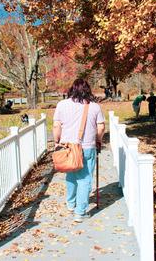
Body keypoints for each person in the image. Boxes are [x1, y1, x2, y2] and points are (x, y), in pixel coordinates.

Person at [53, 79, 105, 223]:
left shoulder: (61, 105)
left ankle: (71, 204)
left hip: (67, 147)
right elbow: (100, 127)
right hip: (87, 147)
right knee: (84, 179)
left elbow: (57, 126)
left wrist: (57, 142)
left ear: (72, 89)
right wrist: (98, 140)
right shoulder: (94, 107)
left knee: (71, 175)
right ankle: (80, 212)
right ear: (88, 90)